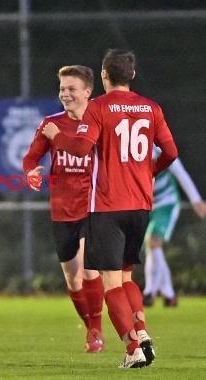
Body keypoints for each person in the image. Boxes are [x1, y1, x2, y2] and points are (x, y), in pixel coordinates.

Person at [42, 49, 178, 368]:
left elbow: (79, 147)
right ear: (132, 75)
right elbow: (170, 151)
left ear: (104, 75)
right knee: (128, 276)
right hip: (141, 205)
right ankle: (141, 332)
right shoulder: (151, 108)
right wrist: (148, 171)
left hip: (107, 206)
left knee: (111, 283)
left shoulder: (98, 107)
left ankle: (132, 349)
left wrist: (56, 136)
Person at [23, 65, 105, 353]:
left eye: (71, 89)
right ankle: (90, 325)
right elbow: (31, 157)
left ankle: (96, 330)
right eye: (62, 89)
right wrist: (31, 171)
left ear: (88, 91)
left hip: (93, 207)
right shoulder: (51, 123)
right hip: (61, 209)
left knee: (88, 270)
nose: (65, 94)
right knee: (72, 279)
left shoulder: (100, 120)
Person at [142, 147, 206, 307]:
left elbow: (180, 173)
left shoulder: (157, 150)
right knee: (153, 247)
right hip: (147, 205)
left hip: (167, 202)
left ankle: (149, 292)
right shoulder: (130, 149)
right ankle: (169, 295)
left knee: (153, 242)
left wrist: (196, 201)